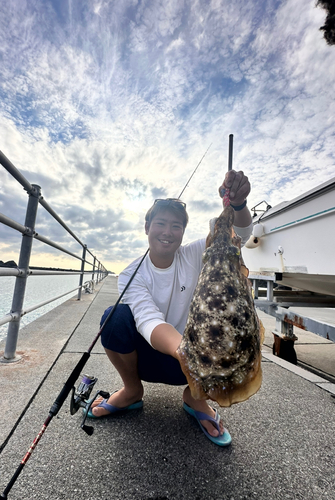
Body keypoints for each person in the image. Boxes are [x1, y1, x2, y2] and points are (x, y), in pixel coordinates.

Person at [88, 170, 253, 446]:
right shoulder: (132, 275)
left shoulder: (196, 253)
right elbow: (149, 321)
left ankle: (195, 398)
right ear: (147, 227)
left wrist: (238, 205)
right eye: (161, 224)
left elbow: (240, 234)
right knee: (113, 317)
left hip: (199, 361)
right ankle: (132, 390)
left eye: (176, 226)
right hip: (154, 358)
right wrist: (186, 353)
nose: (167, 232)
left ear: (183, 232)